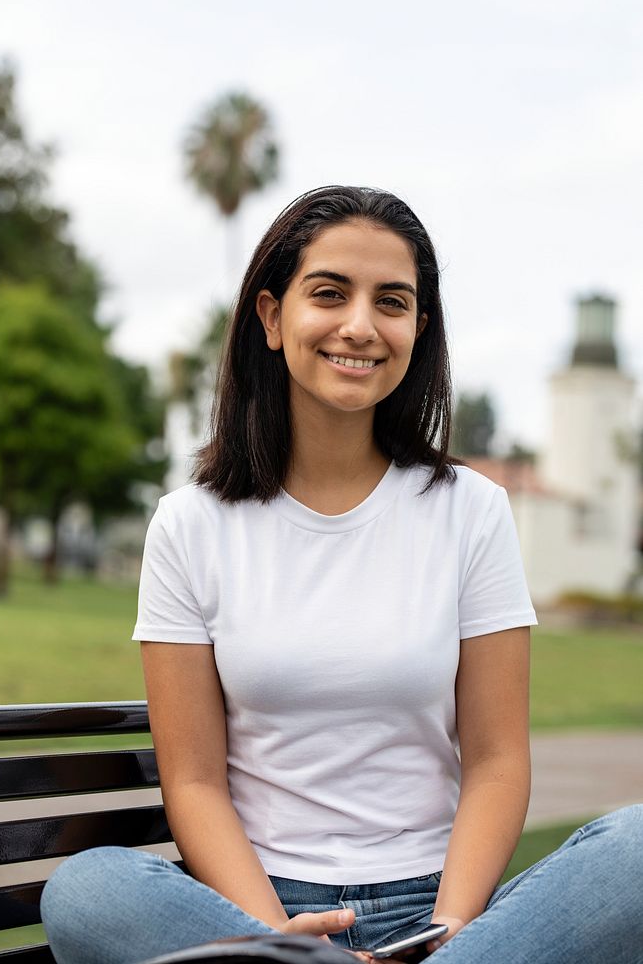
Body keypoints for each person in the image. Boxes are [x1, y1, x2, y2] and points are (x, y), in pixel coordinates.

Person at [40, 186, 643, 964]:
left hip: (444, 913)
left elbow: (496, 761)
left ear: (417, 329)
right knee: (87, 889)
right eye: (329, 293)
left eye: (391, 302)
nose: (359, 325)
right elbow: (193, 782)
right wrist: (277, 944)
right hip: (260, 908)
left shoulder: (472, 512)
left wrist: (450, 932)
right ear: (270, 315)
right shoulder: (189, 526)